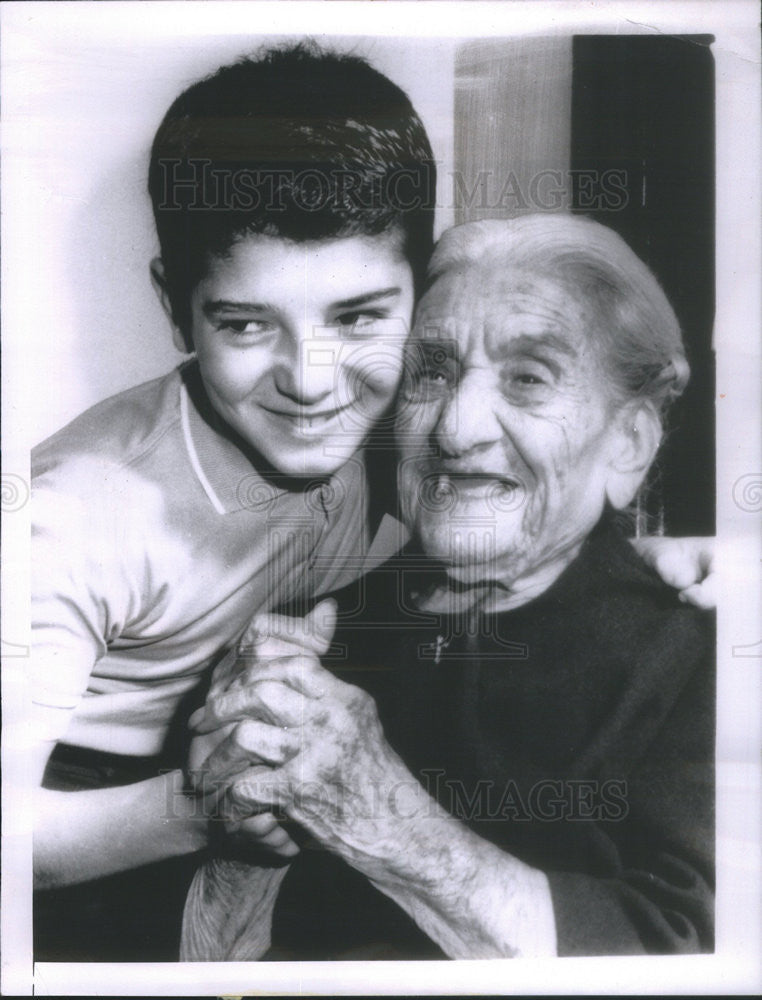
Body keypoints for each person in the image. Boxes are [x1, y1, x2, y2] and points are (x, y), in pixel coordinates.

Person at [184, 214, 715, 959]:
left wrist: (385, 821)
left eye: (529, 379)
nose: (456, 430)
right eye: (431, 372)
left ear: (628, 442)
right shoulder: (310, 633)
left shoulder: (698, 660)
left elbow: (687, 957)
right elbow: (211, 962)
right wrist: (235, 833)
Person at [31, 42, 434, 960]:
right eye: (249, 324)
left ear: (420, 290)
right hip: (94, 838)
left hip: (264, 780)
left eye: (359, 316)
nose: (313, 384)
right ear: (177, 308)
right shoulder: (71, 517)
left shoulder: (400, 419)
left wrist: (682, 565)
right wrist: (192, 809)